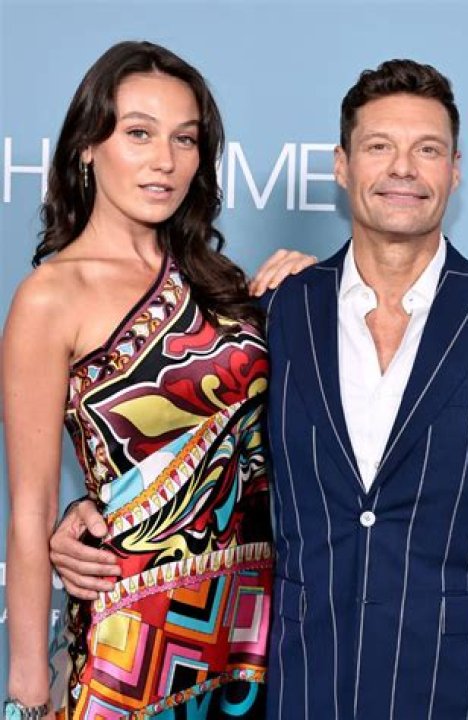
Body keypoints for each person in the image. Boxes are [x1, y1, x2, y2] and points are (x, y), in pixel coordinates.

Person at [51, 59, 468, 718]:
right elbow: (202, 459)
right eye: (379, 147)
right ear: (342, 166)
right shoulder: (276, 314)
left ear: (454, 171)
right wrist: (95, 515)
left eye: (427, 150)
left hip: (460, 687)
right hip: (301, 683)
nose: (403, 169)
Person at [2, 40, 311, 720]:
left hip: (255, 630)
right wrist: (27, 687)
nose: (165, 160)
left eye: (185, 139)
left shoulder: (225, 285)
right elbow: (30, 509)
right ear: (88, 146)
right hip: (131, 643)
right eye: (139, 133)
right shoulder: (50, 297)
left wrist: (325, 292)